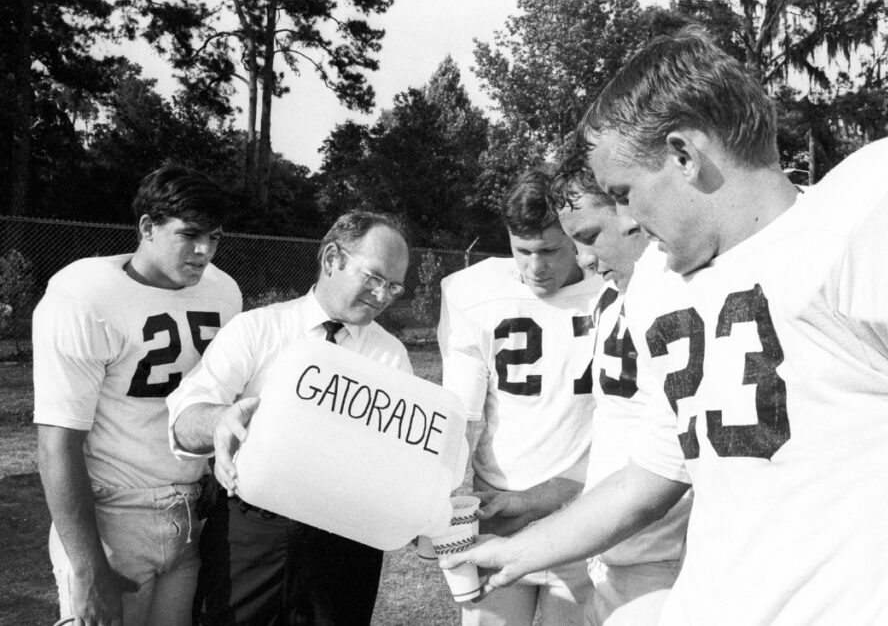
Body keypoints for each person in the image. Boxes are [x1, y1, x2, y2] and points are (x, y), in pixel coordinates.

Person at [443, 25, 888, 624]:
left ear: (685, 156)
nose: (625, 220)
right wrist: (516, 553)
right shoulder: (666, 286)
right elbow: (645, 480)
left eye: (622, 193)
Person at [166, 210, 411, 625]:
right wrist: (220, 421)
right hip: (252, 529)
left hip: (346, 540)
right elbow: (185, 418)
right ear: (332, 258)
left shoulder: (391, 355)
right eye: (373, 278)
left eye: (394, 287)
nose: (382, 295)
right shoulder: (257, 329)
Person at [34, 164, 241, 626]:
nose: (204, 250)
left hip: (190, 516)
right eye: (190, 234)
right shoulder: (85, 296)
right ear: (147, 227)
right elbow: (56, 443)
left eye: (215, 237)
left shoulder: (224, 291)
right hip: (112, 514)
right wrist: (87, 568)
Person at [437, 170, 604, 625]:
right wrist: (443, 500)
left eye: (549, 250)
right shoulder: (472, 292)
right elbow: (462, 418)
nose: (535, 267)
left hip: (583, 515)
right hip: (498, 513)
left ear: (575, 236)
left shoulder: (615, 288)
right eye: (522, 250)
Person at [548, 162, 693, 626]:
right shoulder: (611, 298)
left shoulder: (678, 291)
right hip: (611, 551)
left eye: (589, 236)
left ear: (631, 209)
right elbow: (618, 427)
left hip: (663, 561)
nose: (584, 259)